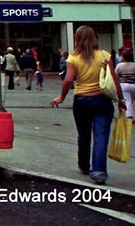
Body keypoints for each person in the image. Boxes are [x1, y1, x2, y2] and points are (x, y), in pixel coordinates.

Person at [51, 26, 125, 185]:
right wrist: (121, 100)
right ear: (94, 38)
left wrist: (61, 97)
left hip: (82, 101)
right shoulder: (105, 56)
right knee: (101, 136)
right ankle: (99, 172)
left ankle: (84, 165)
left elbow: (68, 80)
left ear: (77, 39)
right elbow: (114, 79)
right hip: (102, 100)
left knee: (83, 135)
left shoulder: (73, 58)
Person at [116, 48, 135, 120]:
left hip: (124, 86)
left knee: (128, 101)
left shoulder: (119, 66)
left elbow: (115, 76)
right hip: (134, 85)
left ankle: (130, 117)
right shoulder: (134, 65)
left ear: (123, 57)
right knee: (131, 100)